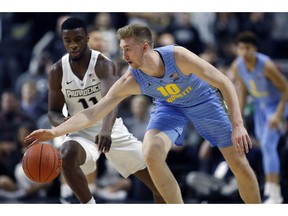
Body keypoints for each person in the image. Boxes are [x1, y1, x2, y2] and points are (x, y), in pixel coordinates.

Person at [25, 23, 261, 204]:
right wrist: (54, 131)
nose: (124, 55)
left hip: (204, 102)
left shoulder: (178, 56)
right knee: (150, 152)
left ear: (145, 47)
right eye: (121, 50)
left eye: (128, 49)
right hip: (169, 107)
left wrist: (238, 123)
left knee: (238, 163)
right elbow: (93, 113)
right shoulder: (131, 79)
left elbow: (224, 83)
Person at [26, 17, 164, 204]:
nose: (73, 45)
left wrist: (106, 130)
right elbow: (53, 112)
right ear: (62, 40)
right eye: (68, 41)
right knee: (66, 153)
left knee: (160, 184)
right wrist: (65, 125)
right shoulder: (57, 70)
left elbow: (112, 100)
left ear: (87, 38)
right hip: (80, 129)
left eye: (78, 39)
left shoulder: (102, 64)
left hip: (110, 127)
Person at [229, 31, 288, 204]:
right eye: (241, 48)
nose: (244, 52)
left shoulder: (267, 66)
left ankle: (274, 195)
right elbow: (243, 92)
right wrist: (238, 119)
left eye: (248, 48)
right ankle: (271, 189)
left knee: (269, 144)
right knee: (265, 147)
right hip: (260, 106)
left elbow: (286, 90)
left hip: (277, 105)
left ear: (254, 49)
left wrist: (277, 115)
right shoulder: (237, 67)